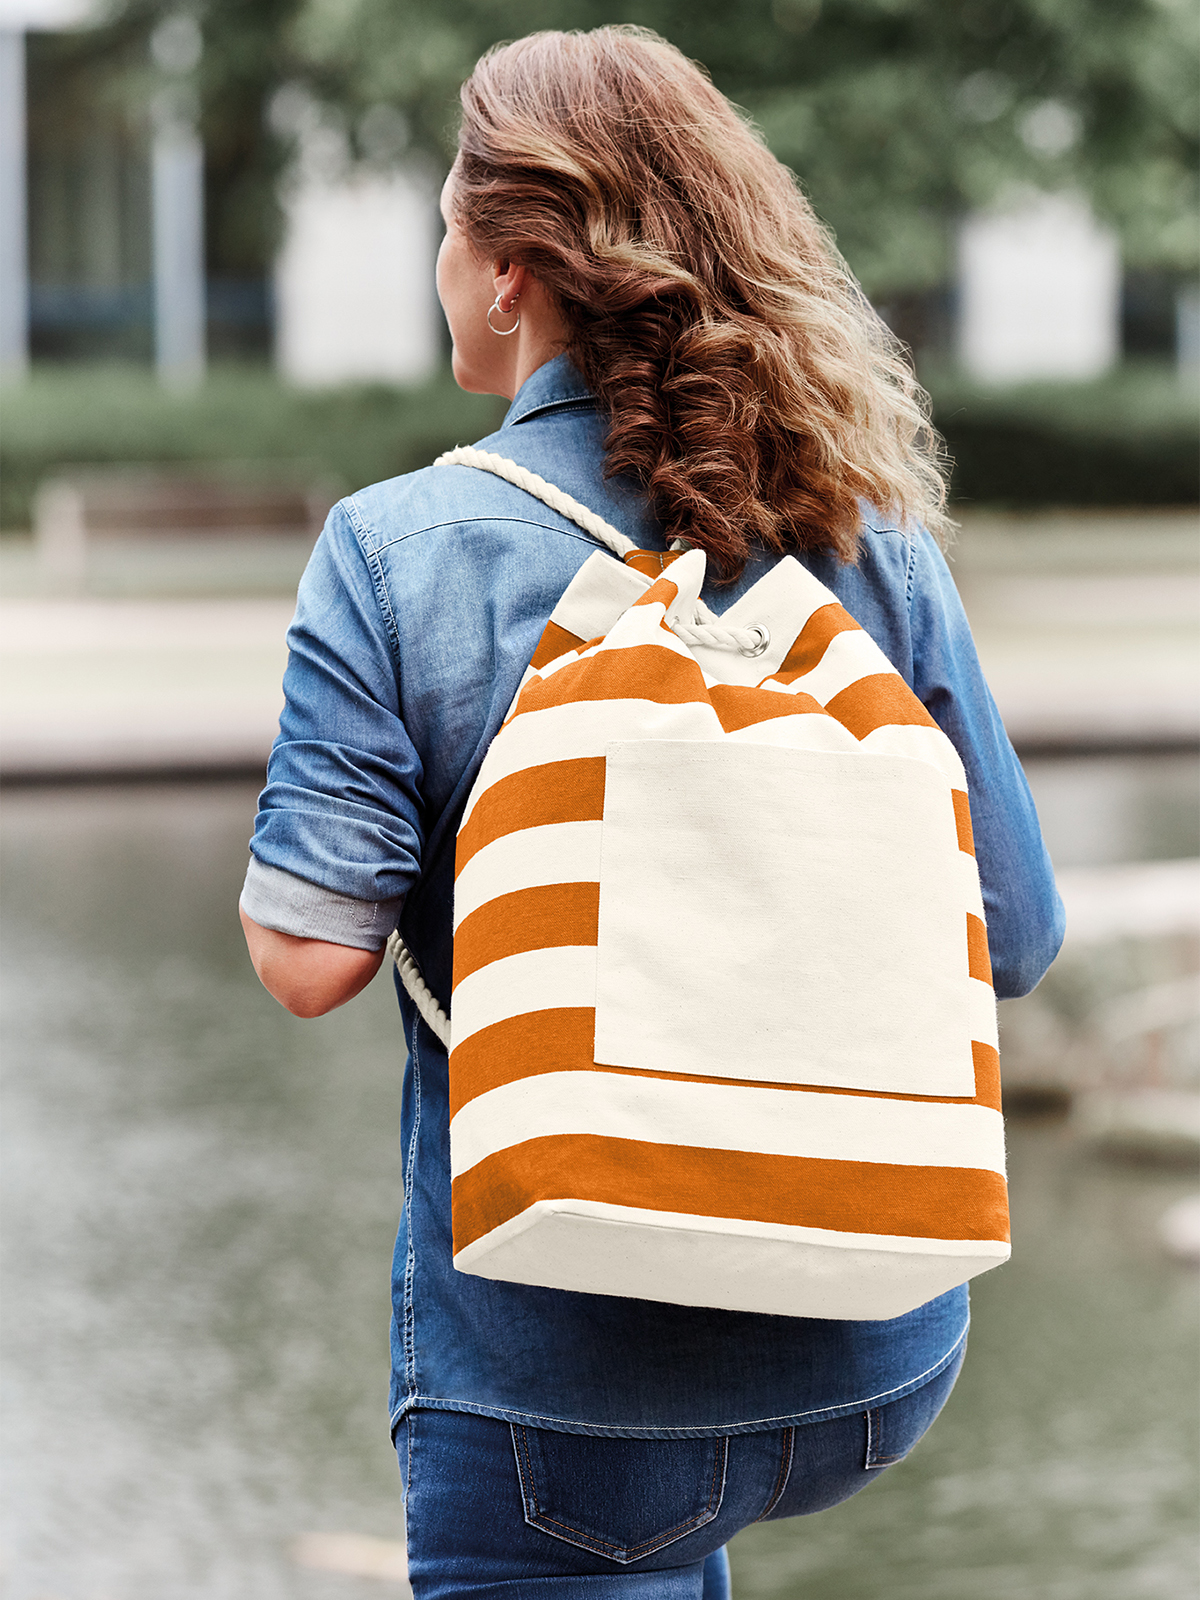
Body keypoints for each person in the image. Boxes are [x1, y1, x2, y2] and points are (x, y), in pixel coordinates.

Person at [239, 26, 1063, 1597]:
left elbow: (307, 961)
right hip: (870, 1357)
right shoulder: (862, 528)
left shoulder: (395, 550)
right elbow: (1014, 936)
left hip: (560, 1388)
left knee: (609, 1513)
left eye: (444, 227)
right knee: (675, 1525)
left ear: (510, 275)